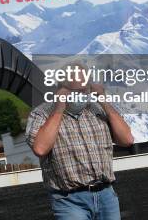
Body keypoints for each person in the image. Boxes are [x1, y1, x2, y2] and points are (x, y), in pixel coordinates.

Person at [26, 75, 134, 220]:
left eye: (84, 90)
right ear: (61, 89)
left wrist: (103, 100)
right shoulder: (41, 113)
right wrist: (59, 108)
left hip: (106, 195)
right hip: (69, 200)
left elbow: (127, 139)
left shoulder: (97, 109)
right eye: (75, 90)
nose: (81, 95)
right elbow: (40, 148)